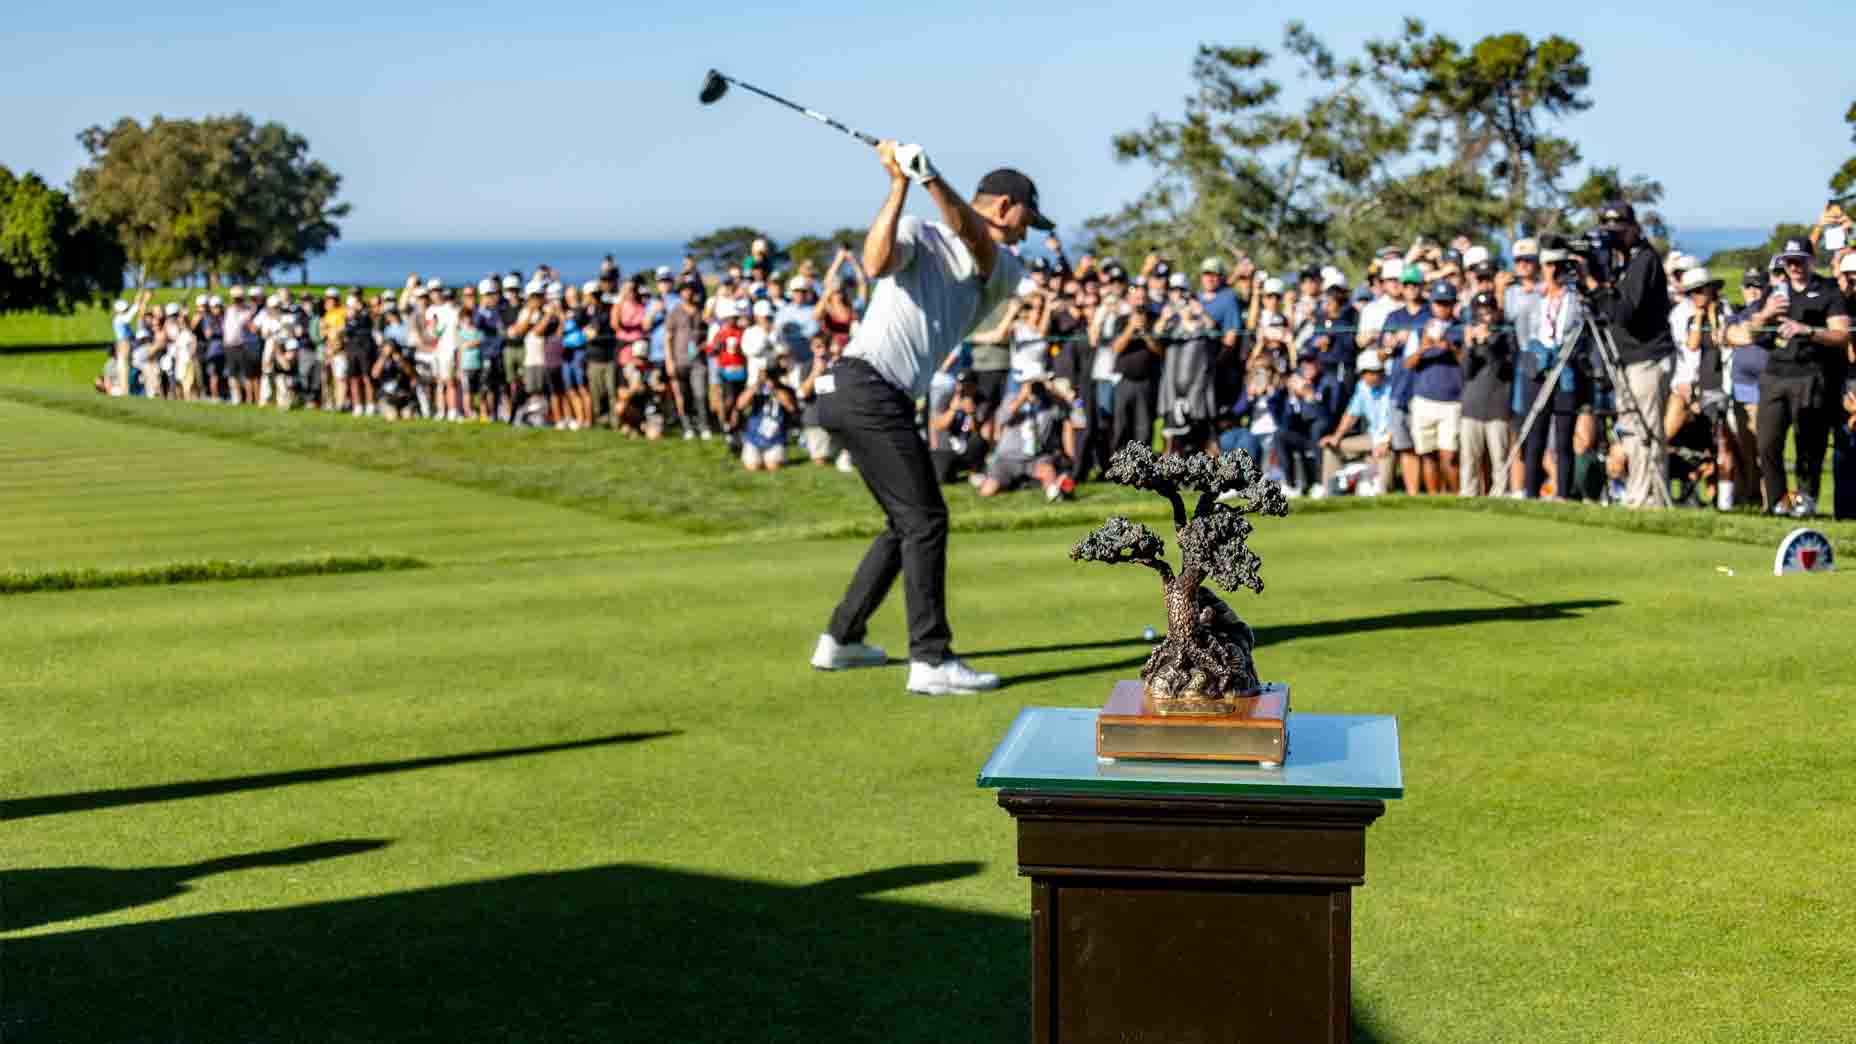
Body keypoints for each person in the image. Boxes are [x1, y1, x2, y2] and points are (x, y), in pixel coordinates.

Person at [810, 141, 1047, 695]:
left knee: (907, 521)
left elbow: (977, 241)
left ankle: (841, 638)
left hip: (867, 395)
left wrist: (931, 179)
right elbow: (874, 264)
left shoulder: (1005, 266)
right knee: (926, 520)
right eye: (1027, 220)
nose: (1026, 233)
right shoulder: (919, 231)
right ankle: (931, 658)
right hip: (863, 386)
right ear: (1007, 206)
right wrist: (900, 183)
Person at [1729, 237, 1851, 516]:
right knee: (1767, 442)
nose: (1794, 266)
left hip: (1810, 375)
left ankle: (1805, 500)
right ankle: (1777, 502)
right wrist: (1766, 314)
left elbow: (1842, 334)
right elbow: (1751, 334)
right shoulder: (1775, 292)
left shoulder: (1827, 291)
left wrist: (1807, 331)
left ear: (1811, 260)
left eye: (1799, 261)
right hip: (1774, 375)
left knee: (1809, 443)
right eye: (1789, 261)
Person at [1589, 201, 1674, 508]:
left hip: (1647, 357)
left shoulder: (1644, 260)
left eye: (1619, 229)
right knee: (1629, 430)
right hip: (1627, 359)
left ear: (1634, 229)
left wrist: (1595, 285)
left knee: (1646, 430)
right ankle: (1638, 493)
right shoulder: (1623, 262)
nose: (1613, 235)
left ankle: (1650, 498)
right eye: (1608, 230)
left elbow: (1624, 312)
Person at [1457, 291, 1515, 496]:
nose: (1485, 318)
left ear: (1496, 313)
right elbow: (1466, 372)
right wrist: (1470, 346)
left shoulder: (1507, 336)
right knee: (1468, 460)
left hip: (1497, 409)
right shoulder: (1471, 338)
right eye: (1480, 313)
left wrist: (1488, 344)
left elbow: (1503, 370)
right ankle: (1468, 495)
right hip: (1471, 408)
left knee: (1499, 460)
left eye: (1489, 312)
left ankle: (1500, 496)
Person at [1320, 349, 1395, 495]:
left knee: (1385, 454)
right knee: (1331, 448)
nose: (1373, 376)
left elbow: (1397, 421)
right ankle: (1330, 492)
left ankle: (1382, 493)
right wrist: (1337, 436)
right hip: (1372, 437)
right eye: (1369, 373)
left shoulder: (1392, 386)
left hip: (1391, 439)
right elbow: (1351, 415)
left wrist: (1386, 441)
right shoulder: (1362, 387)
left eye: (1377, 372)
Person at [736, 362, 799, 471]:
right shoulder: (755, 389)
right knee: (753, 467)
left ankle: (776, 458)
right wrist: (758, 384)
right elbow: (740, 405)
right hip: (753, 438)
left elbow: (791, 407)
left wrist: (773, 388)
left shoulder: (786, 389)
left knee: (773, 467)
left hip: (776, 438)